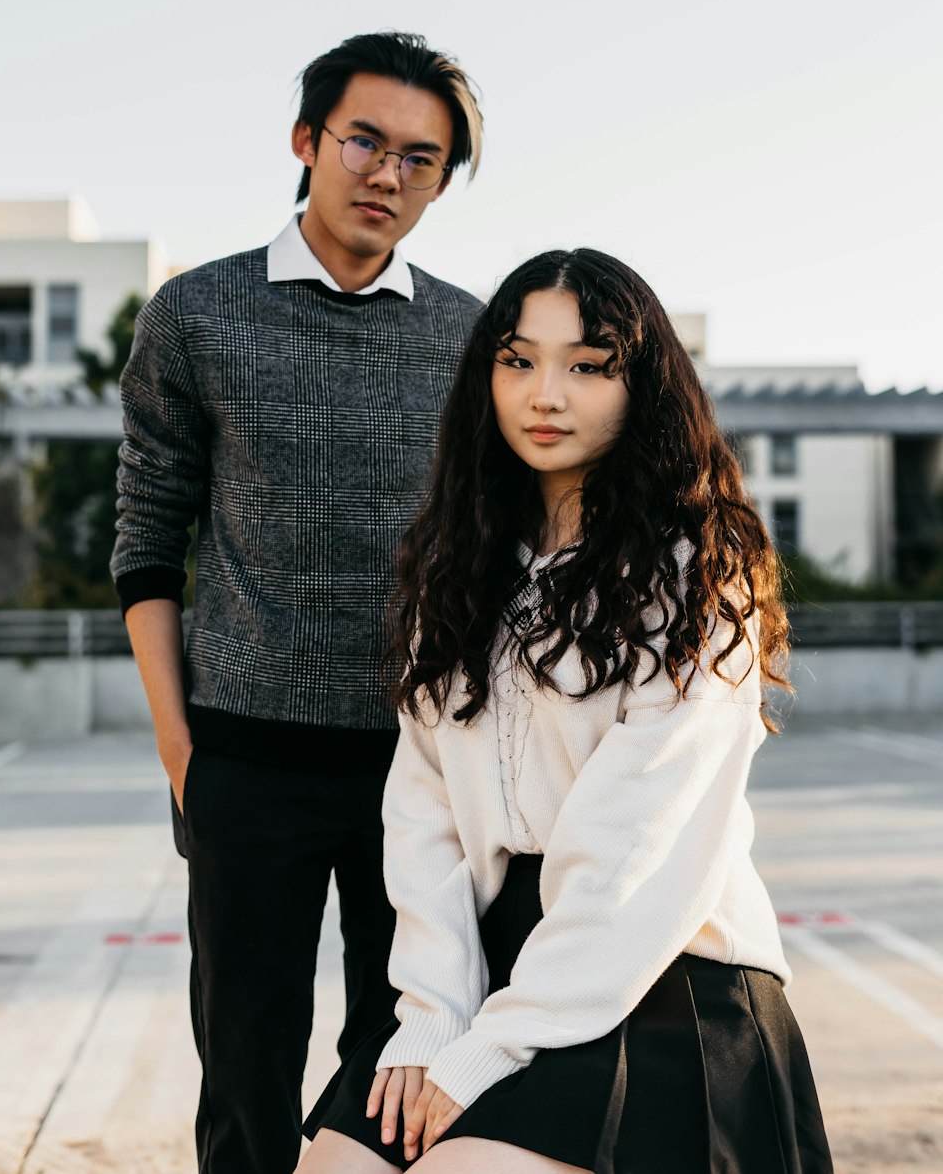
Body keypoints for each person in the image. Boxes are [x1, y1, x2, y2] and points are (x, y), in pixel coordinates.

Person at [299, 248, 833, 1174]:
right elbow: (421, 811)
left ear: (644, 388)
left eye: (587, 366)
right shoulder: (458, 570)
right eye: (518, 360)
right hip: (485, 965)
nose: (546, 393)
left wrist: (491, 1049)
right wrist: (431, 1015)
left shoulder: (698, 577)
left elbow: (639, 850)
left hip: (662, 968)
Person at [110, 31, 485, 1174]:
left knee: (405, 1051)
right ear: (306, 142)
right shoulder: (198, 313)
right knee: (245, 1060)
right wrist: (185, 748)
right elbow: (147, 534)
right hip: (243, 754)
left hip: (418, 763)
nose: (388, 175)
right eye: (366, 141)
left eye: (421, 158)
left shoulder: (473, 335)